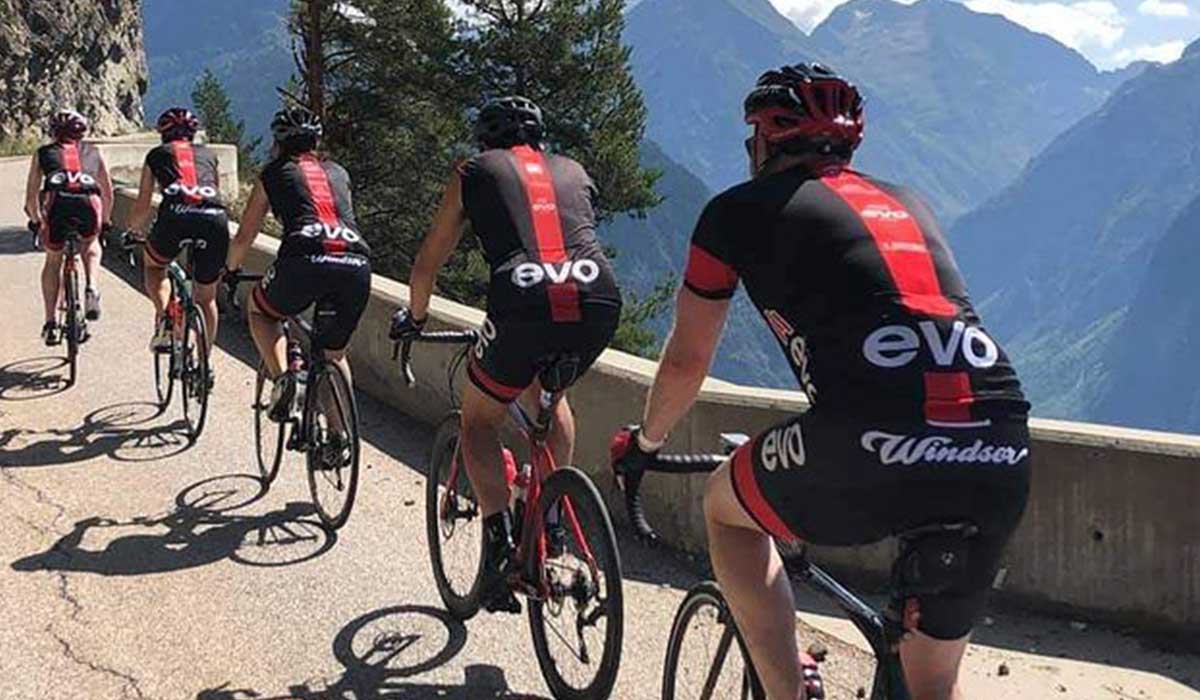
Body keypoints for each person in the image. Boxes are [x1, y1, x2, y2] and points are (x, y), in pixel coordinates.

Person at [611, 64, 1031, 700]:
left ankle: (788, 690)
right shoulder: (910, 202)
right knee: (931, 686)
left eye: (751, 134)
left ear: (766, 138)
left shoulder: (734, 213)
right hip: (999, 440)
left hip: (870, 433)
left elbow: (685, 362)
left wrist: (645, 443)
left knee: (729, 509)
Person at [390, 96, 623, 613]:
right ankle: (554, 521)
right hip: (599, 296)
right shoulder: (573, 169)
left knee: (477, 422)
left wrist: (418, 316)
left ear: (484, 141)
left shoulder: (472, 170)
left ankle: (498, 548)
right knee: (550, 393)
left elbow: (429, 260)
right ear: (539, 138)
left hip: (520, 297)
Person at [225, 107, 371, 427]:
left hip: (304, 260)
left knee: (262, 311)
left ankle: (284, 381)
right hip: (356, 263)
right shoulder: (339, 172)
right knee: (334, 353)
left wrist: (231, 271)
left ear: (277, 143)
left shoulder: (273, 172)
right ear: (315, 142)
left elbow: (245, 235)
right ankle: (339, 436)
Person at [128, 108, 229, 354]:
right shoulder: (209, 155)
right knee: (206, 298)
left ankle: (166, 317)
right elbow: (216, 190)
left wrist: (133, 229)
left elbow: (143, 202)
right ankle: (205, 364)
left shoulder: (156, 155)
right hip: (215, 219)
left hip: (175, 217)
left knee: (154, 266)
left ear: (163, 134)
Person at [24, 109, 113, 345]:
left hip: (57, 204)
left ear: (53, 132)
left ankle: (51, 322)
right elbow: (107, 192)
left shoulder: (43, 153)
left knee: (53, 259)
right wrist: (105, 222)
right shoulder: (94, 151)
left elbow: (31, 195)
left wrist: (36, 221)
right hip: (88, 203)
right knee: (91, 243)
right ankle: (92, 288)